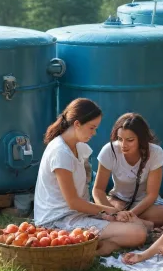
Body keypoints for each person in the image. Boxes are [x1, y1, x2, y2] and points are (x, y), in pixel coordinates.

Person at [33, 98, 147, 257]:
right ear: (77, 124)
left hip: (78, 214)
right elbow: (73, 202)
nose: (94, 133)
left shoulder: (79, 147)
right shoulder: (60, 153)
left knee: (137, 224)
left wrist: (104, 214)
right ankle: (105, 245)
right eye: (92, 128)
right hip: (57, 222)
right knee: (137, 232)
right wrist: (111, 211)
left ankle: (100, 242)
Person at [92, 112, 163, 228]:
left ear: (141, 139)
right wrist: (114, 212)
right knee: (107, 208)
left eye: (130, 140)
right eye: (119, 139)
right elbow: (98, 190)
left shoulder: (155, 152)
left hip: (145, 204)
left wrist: (129, 215)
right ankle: (144, 225)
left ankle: (125, 223)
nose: (123, 145)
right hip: (118, 201)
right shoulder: (109, 150)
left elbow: (151, 195)